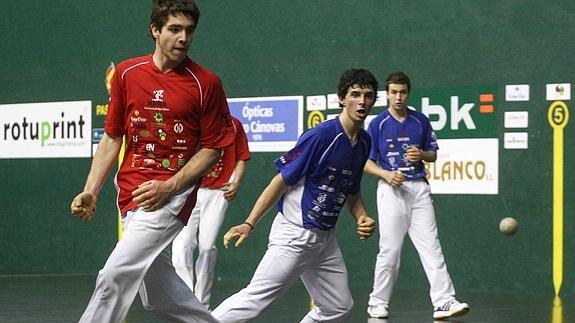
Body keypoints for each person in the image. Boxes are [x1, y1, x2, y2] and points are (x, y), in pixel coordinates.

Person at [69, 1, 235, 322]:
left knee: (114, 274)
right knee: (160, 296)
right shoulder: (127, 74)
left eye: (189, 31)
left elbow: (213, 147)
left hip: (171, 197)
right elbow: (112, 136)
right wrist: (91, 190)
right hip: (131, 193)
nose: (183, 38)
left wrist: (169, 186)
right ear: (155, 31)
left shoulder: (206, 83)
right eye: (174, 29)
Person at [211, 68, 378, 323]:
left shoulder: (364, 142)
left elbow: (351, 190)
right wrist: (249, 222)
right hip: (294, 236)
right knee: (254, 299)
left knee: (338, 307)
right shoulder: (322, 136)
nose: (362, 102)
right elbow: (280, 181)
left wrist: (362, 216)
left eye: (368, 96)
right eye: (355, 94)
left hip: (325, 240)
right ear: (342, 99)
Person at [365, 72, 470, 320]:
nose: (398, 97)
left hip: (419, 189)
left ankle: (444, 301)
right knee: (390, 251)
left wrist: (420, 154)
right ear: (387, 94)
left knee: (432, 247)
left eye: (402, 92)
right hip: (391, 191)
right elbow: (367, 163)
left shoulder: (420, 121)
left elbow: (432, 154)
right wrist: (386, 174)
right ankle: (377, 302)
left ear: (408, 93)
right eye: (393, 92)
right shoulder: (377, 124)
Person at [172, 115, 251, 309]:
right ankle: (185, 302)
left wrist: (236, 182)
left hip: (217, 193)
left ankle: (201, 303)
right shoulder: (190, 120)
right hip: (189, 189)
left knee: (207, 247)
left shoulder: (233, 124)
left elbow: (241, 156)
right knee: (182, 244)